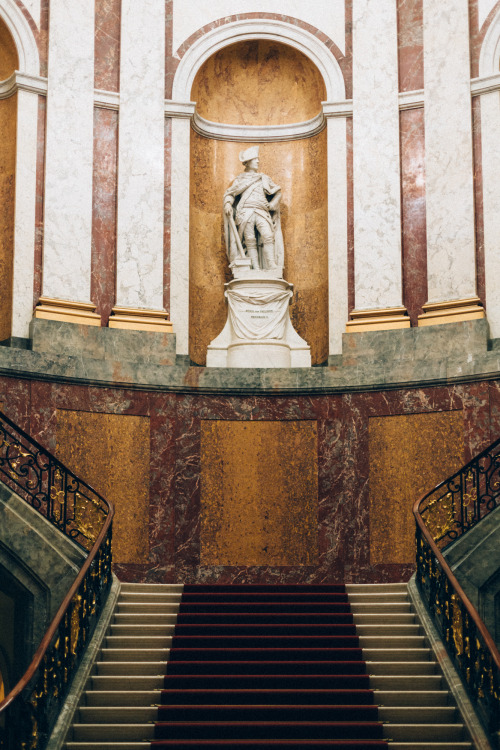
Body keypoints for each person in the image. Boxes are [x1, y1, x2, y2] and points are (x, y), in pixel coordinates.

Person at [223, 146, 284, 273]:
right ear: (248, 162)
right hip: (245, 212)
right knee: (250, 240)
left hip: (262, 211)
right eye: (255, 159)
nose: (258, 161)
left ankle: (271, 265)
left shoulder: (263, 178)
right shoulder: (240, 179)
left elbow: (278, 192)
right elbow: (231, 193)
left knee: (268, 236)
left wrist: (272, 205)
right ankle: (255, 268)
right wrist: (228, 203)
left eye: (257, 159)